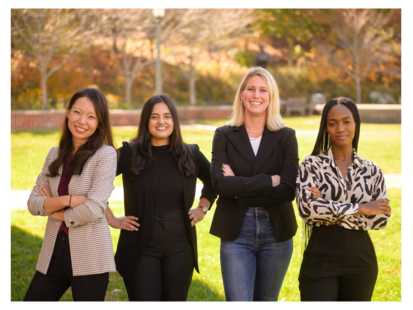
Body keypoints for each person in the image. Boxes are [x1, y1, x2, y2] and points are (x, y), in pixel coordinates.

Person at [107, 94, 217, 302]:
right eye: (154, 116)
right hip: (141, 242)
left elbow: (214, 181)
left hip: (180, 243)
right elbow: (95, 180)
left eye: (167, 116)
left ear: (174, 120)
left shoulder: (190, 153)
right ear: (146, 121)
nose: (161, 122)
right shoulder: (130, 153)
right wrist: (111, 218)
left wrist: (203, 208)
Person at [210, 67, 299, 302]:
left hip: (276, 231)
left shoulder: (286, 136)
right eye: (250, 89)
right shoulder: (223, 135)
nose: (256, 95)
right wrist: (270, 180)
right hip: (236, 232)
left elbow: (288, 189)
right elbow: (220, 184)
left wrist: (240, 190)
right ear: (241, 94)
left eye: (263, 90)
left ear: (271, 97)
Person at [24, 88, 117, 302]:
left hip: (90, 253)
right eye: (77, 112)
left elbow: (94, 209)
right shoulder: (54, 154)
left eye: (91, 116)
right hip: (53, 251)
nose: (82, 121)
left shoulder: (105, 155)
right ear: (68, 112)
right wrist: (69, 201)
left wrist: (54, 210)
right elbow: (32, 203)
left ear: (99, 122)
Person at [296, 97, 391, 302]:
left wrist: (328, 208)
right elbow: (307, 209)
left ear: (355, 123)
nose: (340, 128)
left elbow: (381, 218)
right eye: (333, 123)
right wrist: (362, 208)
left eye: (346, 121)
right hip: (321, 254)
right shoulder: (311, 165)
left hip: (361, 258)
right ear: (326, 128)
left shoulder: (371, 170)